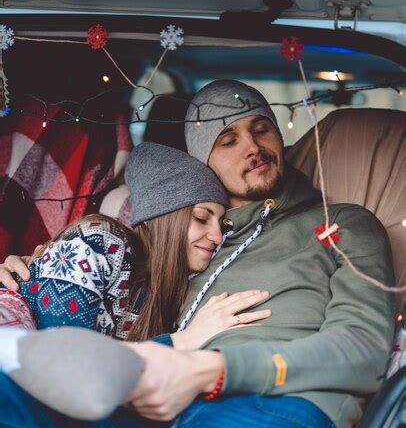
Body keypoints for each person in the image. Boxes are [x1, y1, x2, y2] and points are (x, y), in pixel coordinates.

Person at [0, 80, 395, 428]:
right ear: (204, 162)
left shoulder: (343, 224)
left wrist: (216, 368)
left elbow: (361, 350)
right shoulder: (196, 247)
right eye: (228, 139)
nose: (253, 146)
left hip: (268, 417)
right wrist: (31, 266)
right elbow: (113, 282)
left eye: (262, 128)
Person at [0, 141, 270, 346]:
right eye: (201, 218)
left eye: (222, 225)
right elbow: (66, 358)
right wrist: (184, 341)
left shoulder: (169, 288)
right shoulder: (97, 241)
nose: (216, 236)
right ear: (165, 219)